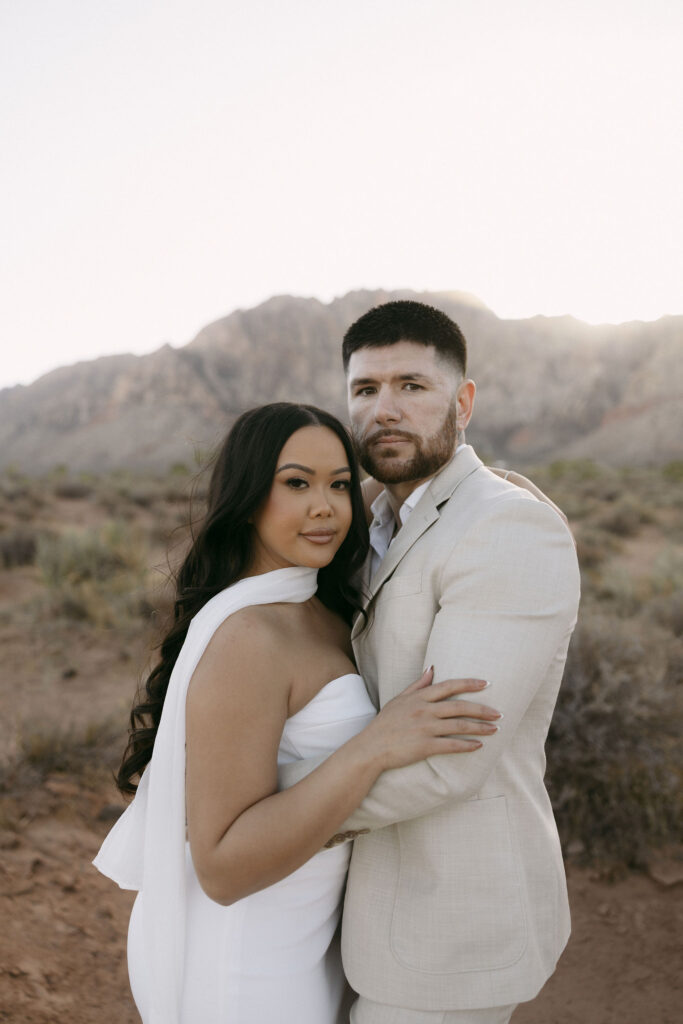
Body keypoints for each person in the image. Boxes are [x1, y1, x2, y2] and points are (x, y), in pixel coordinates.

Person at [93, 402, 501, 1024]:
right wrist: (374, 747)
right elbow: (223, 869)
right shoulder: (248, 638)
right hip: (250, 960)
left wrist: (501, 491)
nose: (325, 507)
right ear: (249, 496)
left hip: (314, 938)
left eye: (339, 484)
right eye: (296, 483)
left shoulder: (318, 607)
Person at [279, 301, 581, 1024]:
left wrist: (269, 818)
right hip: (350, 909)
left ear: (463, 401)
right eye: (364, 390)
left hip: (447, 927)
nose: (384, 409)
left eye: (411, 386)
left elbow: (448, 757)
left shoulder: (506, 526)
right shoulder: (367, 523)